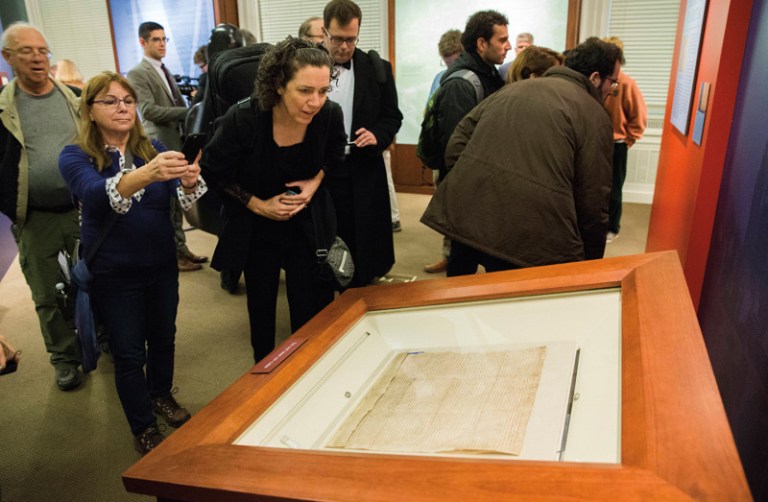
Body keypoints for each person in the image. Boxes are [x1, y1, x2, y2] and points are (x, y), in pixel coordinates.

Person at [58, 71, 207, 455]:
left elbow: (185, 201)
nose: (122, 107)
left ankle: (160, 395)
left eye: (127, 100)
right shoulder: (75, 155)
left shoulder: (151, 146)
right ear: (89, 111)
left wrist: (189, 181)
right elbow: (94, 194)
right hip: (114, 272)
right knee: (127, 353)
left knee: (163, 338)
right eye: (110, 101)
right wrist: (146, 174)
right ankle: (142, 426)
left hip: (160, 266)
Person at [199, 37, 346, 363]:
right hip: (257, 227)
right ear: (279, 84)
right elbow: (213, 171)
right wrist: (255, 203)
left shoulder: (329, 115)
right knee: (262, 307)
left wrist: (314, 182)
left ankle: (309, 368)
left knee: (310, 306)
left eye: (323, 91)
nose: (315, 102)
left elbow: (336, 156)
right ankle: (264, 371)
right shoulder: (244, 119)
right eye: (305, 91)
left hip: (307, 224)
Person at [421, 37, 621, 274]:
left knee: (458, 291)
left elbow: (457, 143)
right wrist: (590, 265)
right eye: (613, 83)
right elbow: (593, 198)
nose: (612, 90)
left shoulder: (511, 90)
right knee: (511, 301)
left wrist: (472, 181)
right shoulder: (594, 115)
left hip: (470, 217)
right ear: (595, 78)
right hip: (530, 236)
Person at [0, 22, 82, 390]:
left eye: (42, 50)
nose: (36, 57)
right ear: (8, 58)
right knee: (48, 293)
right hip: (33, 217)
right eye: (26, 51)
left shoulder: (75, 97)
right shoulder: (2, 109)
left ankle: (106, 340)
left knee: (98, 279)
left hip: (82, 208)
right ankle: (64, 358)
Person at [321, 0, 403, 287]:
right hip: (321, 168)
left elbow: (392, 117)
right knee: (327, 232)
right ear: (324, 32)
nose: (344, 47)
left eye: (351, 39)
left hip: (363, 166)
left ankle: (361, 287)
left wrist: (378, 135)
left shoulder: (377, 68)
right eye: (338, 39)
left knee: (363, 234)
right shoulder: (304, 65)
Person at [431, 10, 510, 276]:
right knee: (462, 263)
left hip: (487, 187)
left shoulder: (490, 75)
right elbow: (456, 150)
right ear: (481, 43)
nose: (508, 46)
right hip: (470, 192)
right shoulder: (462, 84)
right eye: (502, 40)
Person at [127, 21, 208, 272]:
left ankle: (181, 250)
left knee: (177, 200)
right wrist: (190, 111)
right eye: (156, 40)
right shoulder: (138, 73)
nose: (162, 44)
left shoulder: (164, 69)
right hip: (160, 144)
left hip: (177, 141)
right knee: (169, 202)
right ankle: (176, 254)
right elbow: (148, 111)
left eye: (164, 39)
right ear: (143, 42)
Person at [423, 28, 464, 274]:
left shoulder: (474, 77)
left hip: (463, 157)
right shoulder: (440, 78)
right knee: (446, 210)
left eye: (453, 62)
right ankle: (448, 255)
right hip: (441, 155)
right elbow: (429, 113)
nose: (449, 68)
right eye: (445, 63)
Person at [602, 36, 647, 242]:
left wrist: (627, 140)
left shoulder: (627, 83)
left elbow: (638, 117)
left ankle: (613, 227)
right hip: (594, 143)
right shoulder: (595, 80)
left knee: (614, 188)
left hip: (616, 144)